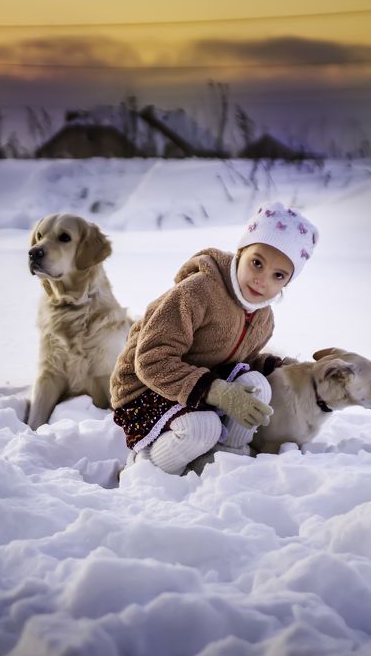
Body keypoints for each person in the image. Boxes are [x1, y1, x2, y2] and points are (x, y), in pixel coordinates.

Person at [110, 201, 319, 475]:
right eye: (257, 263)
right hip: (146, 389)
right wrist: (218, 392)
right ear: (240, 252)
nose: (262, 280)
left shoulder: (263, 317)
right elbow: (151, 361)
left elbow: (239, 360)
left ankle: (224, 456)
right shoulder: (197, 292)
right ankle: (146, 469)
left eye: (278, 275)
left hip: (199, 386)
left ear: (287, 282)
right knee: (203, 428)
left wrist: (275, 366)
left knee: (256, 386)